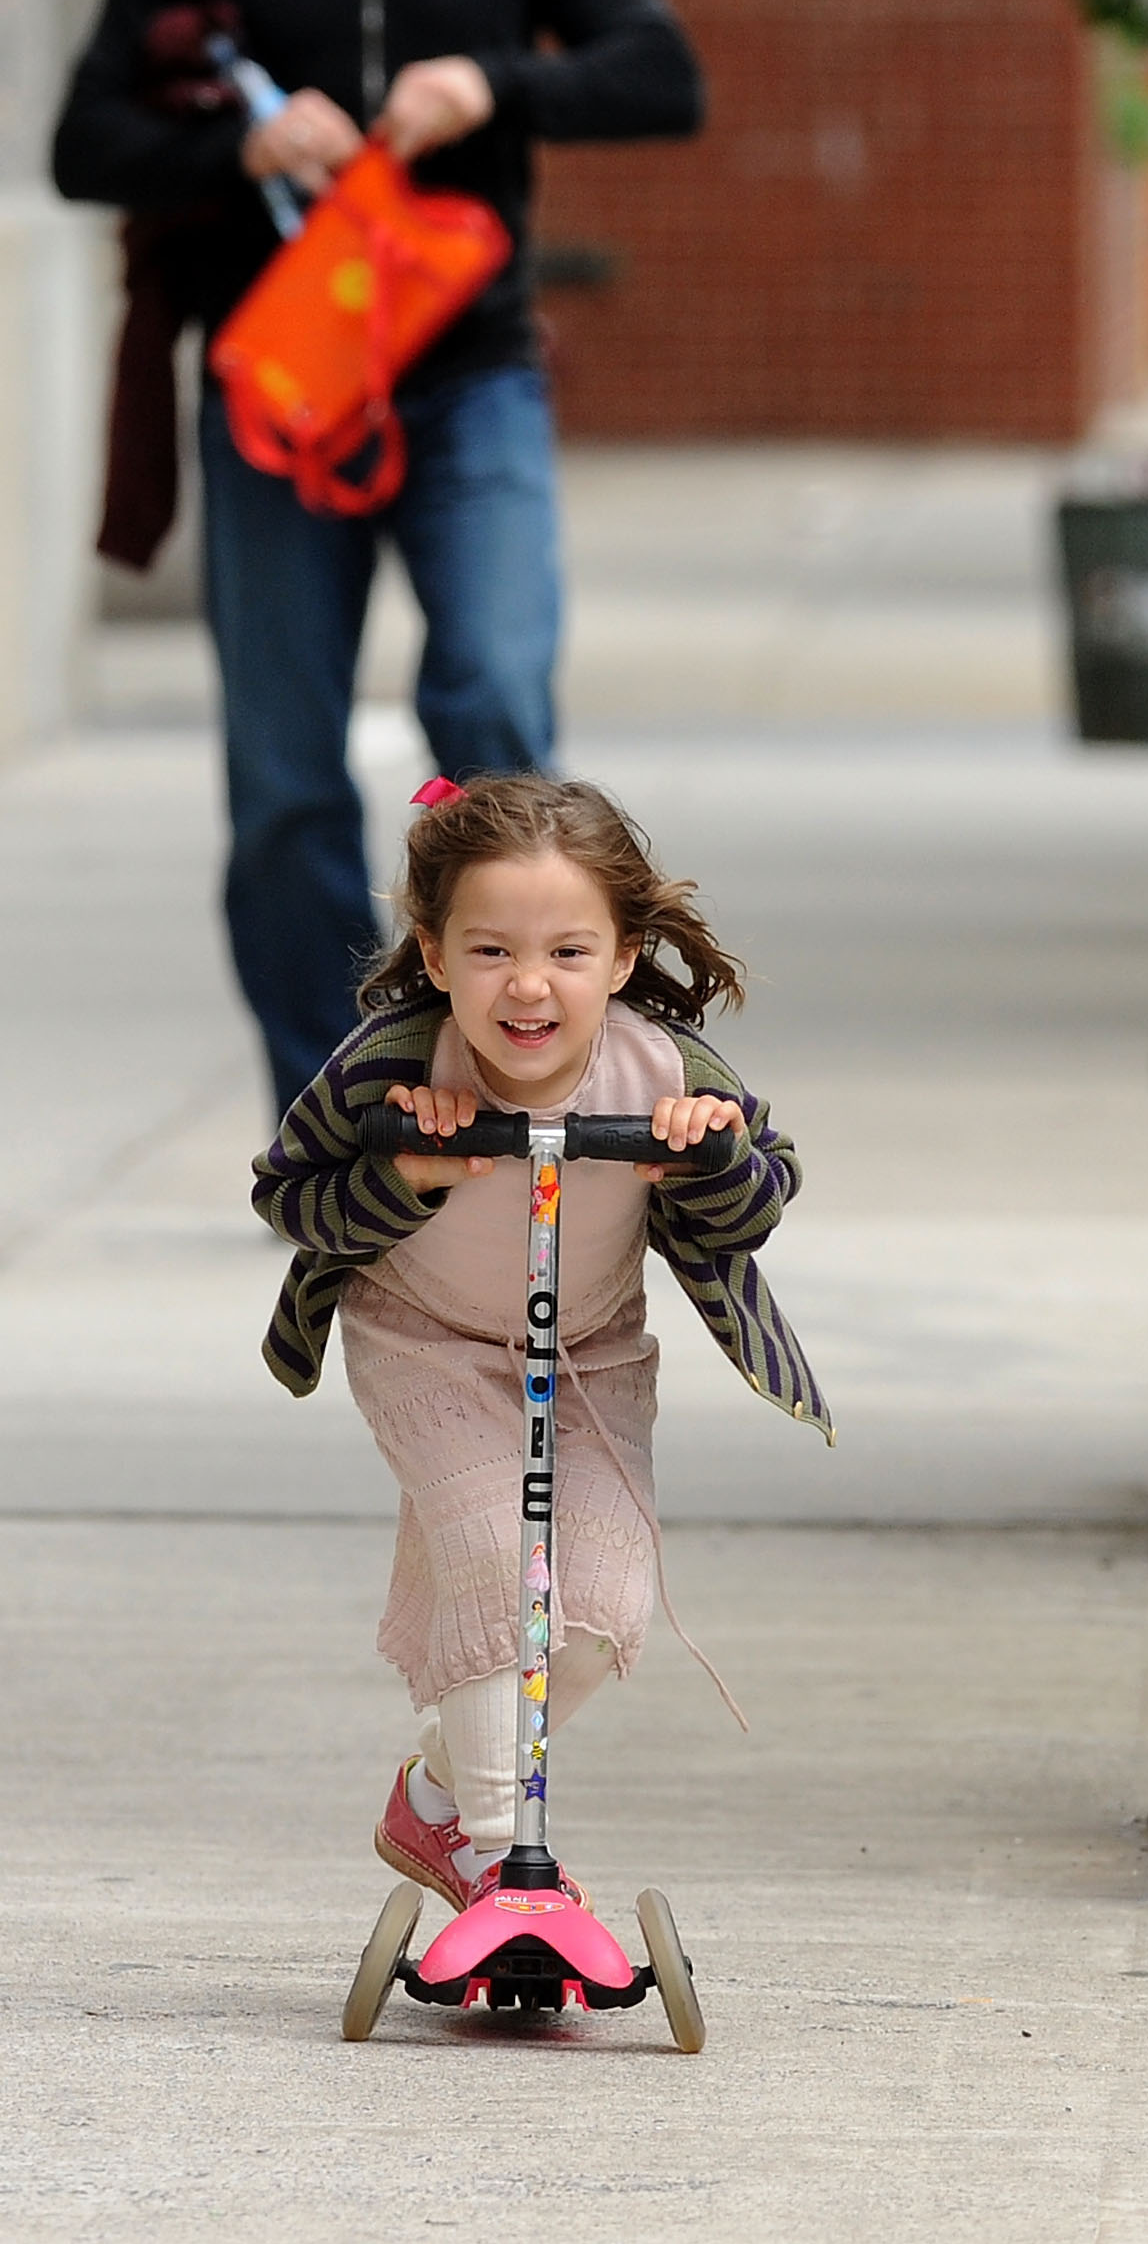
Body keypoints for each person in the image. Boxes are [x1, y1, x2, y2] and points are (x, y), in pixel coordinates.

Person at [53, 0, 705, 1113]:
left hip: (469, 372)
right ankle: (337, 1108)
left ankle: (513, 1076)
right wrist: (240, 151)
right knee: (282, 776)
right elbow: (83, 144)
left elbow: (660, 77)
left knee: (489, 711)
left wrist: (493, 84)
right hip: (283, 391)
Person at [249, 773, 826, 1904]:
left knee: (600, 1612)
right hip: (424, 1342)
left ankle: (433, 1792)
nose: (526, 985)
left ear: (619, 958)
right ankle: (496, 1850)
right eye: (488, 952)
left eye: (567, 952)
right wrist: (401, 1175)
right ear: (432, 952)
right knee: (492, 1566)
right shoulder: (388, 1066)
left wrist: (703, 1163)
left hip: (591, 1355)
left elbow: (765, 1195)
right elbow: (285, 1194)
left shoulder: (663, 1071)